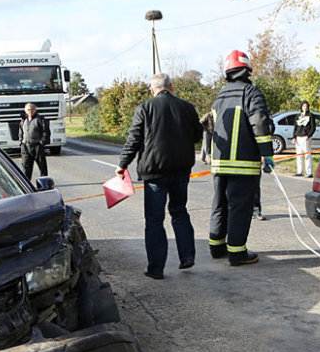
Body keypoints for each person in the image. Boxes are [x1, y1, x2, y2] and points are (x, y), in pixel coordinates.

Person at [116, 73, 203, 280]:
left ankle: (156, 268)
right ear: (171, 87)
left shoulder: (145, 108)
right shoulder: (187, 107)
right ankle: (187, 256)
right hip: (181, 170)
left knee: (155, 220)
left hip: (154, 172)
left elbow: (134, 139)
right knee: (180, 211)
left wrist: (123, 164)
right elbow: (198, 135)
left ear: (151, 89)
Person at [209, 50, 275, 266]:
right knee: (240, 207)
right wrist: (267, 154)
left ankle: (216, 247)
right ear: (247, 70)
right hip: (244, 163)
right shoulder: (251, 93)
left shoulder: (220, 96)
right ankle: (237, 253)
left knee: (220, 204)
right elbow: (260, 123)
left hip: (219, 163)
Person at [19, 103, 50, 181]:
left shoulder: (40, 119)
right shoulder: (23, 120)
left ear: (35, 110)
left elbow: (46, 132)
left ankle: (44, 183)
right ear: (25, 111)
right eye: (28, 110)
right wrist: (21, 143)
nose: (30, 111)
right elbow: (20, 132)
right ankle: (27, 185)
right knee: (26, 168)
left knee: (42, 167)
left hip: (37, 146)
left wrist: (42, 143)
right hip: (26, 147)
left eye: (32, 110)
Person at [293, 100, 317, 177]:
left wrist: (308, 135)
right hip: (298, 137)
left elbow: (313, 127)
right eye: (303, 106)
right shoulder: (298, 116)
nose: (305, 108)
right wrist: (294, 137)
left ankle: (309, 172)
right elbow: (295, 127)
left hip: (306, 138)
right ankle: (299, 171)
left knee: (307, 155)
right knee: (299, 155)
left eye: (306, 106)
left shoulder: (310, 115)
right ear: (301, 107)